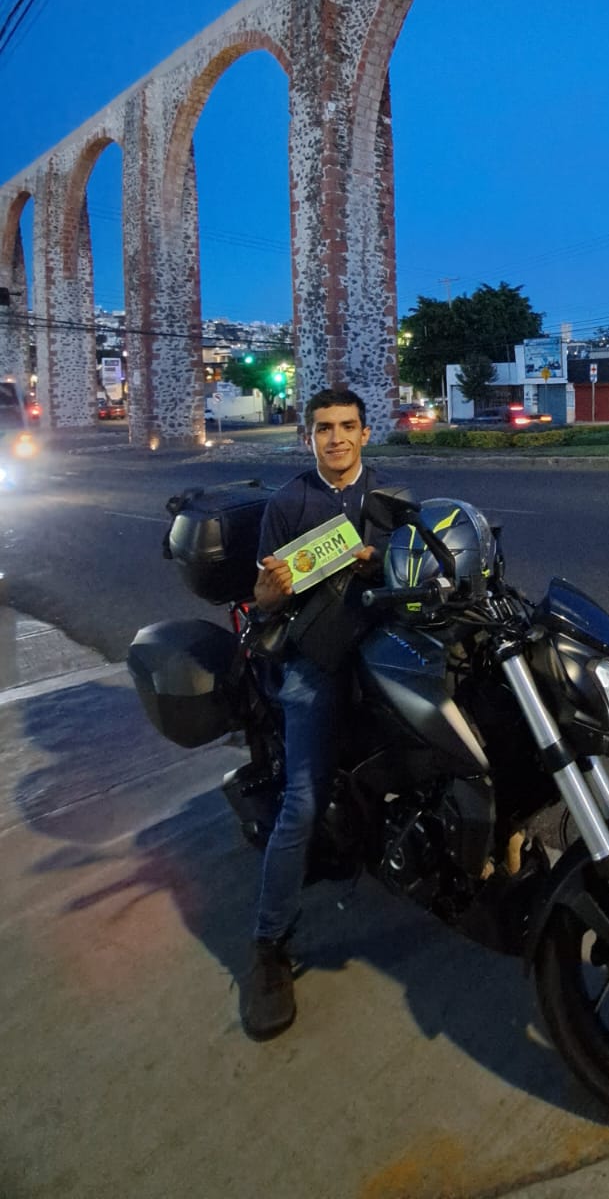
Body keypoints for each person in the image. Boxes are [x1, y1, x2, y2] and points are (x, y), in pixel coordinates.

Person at [240, 384, 380, 1040]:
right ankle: (268, 945)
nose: (336, 438)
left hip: (380, 650)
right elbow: (264, 602)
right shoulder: (289, 502)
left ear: (365, 433)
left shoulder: (383, 501)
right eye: (324, 428)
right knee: (302, 798)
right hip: (311, 657)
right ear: (310, 438)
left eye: (347, 426)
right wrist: (268, 593)